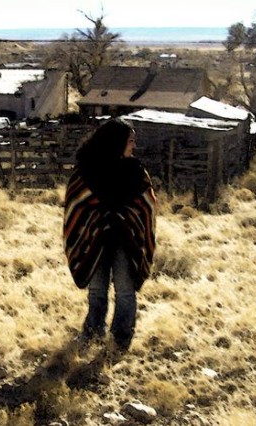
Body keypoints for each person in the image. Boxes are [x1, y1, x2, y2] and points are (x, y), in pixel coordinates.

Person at [63, 118, 157, 351]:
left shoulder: (136, 171)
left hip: (126, 242)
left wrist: (121, 219)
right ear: (115, 142)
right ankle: (93, 331)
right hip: (93, 240)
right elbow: (77, 203)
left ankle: (121, 337)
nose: (133, 146)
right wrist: (101, 220)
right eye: (130, 141)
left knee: (125, 291)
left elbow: (146, 205)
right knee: (96, 291)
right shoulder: (86, 168)